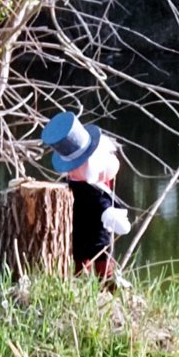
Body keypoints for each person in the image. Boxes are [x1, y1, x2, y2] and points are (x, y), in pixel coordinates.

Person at [41, 111, 131, 283]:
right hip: (96, 246)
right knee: (101, 272)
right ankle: (106, 287)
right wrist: (115, 218)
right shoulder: (90, 192)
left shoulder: (74, 185)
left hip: (77, 242)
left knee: (83, 269)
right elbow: (104, 209)